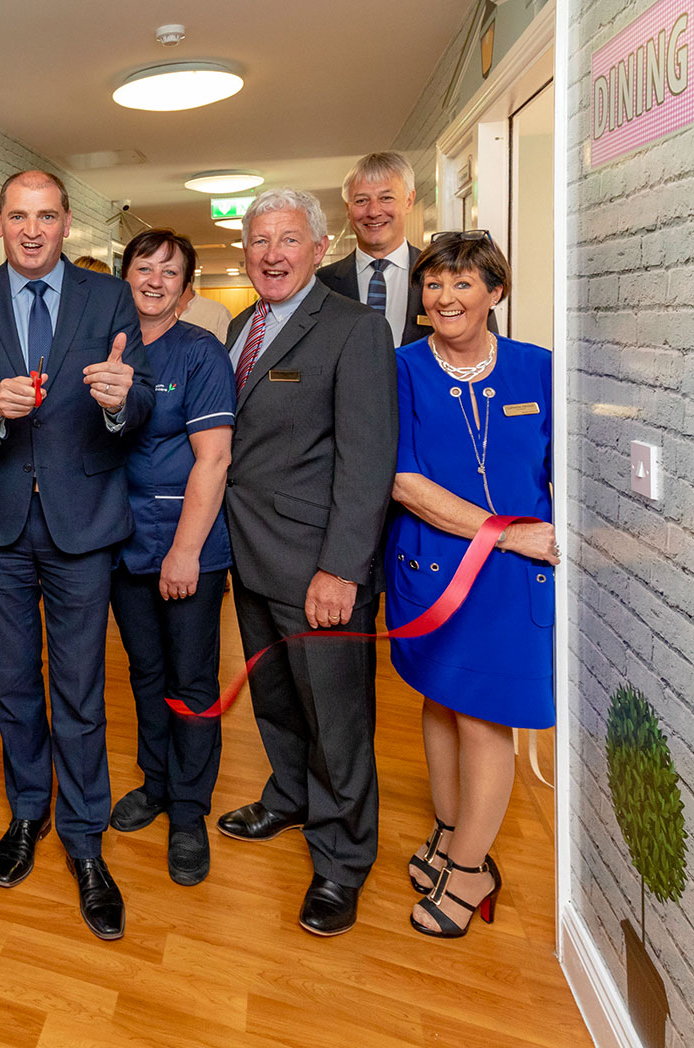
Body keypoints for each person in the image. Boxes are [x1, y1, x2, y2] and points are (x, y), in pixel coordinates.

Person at [0, 169, 153, 941]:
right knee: (16, 684)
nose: (32, 230)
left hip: (82, 523)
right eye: (18, 216)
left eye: (47, 217)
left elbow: (144, 398)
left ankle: (85, 838)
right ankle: (29, 811)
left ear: (67, 225)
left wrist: (122, 397)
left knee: (81, 686)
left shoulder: (107, 298)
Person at [216, 187, 396, 938]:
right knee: (279, 703)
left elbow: (367, 460)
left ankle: (343, 859)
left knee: (338, 718)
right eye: (260, 242)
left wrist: (341, 570)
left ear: (320, 249)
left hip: (320, 566)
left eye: (288, 240)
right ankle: (289, 797)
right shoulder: (237, 325)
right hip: (249, 556)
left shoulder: (356, 329)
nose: (273, 254)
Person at [389, 232, 555, 938]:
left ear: (494, 292)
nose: (444, 298)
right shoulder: (399, 369)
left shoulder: (538, 369)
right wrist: (506, 530)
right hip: (432, 570)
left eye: (462, 284)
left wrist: (531, 540)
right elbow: (403, 479)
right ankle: (451, 831)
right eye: (432, 285)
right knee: (441, 700)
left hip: (514, 585)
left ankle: (470, 869)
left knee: (484, 714)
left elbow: (566, 468)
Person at [105, 230, 234, 888]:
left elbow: (213, 458)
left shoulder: (200, 351)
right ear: (122, 277)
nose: (155, 279)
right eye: (144, 267)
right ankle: (155, 783)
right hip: (122, 538)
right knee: (146, 672)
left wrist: (185, 552)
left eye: (170, 272)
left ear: (186, 290)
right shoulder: (105, 352)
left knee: (192, 680)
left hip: (189, 540)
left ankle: (188, 810)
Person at [316, 151, 498, 349]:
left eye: (386, 198)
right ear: (348, 208)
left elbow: (486, 350)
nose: (374, 211)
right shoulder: (322, 283)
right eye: (361, 201)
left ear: (409, 201)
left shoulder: (447, 275)